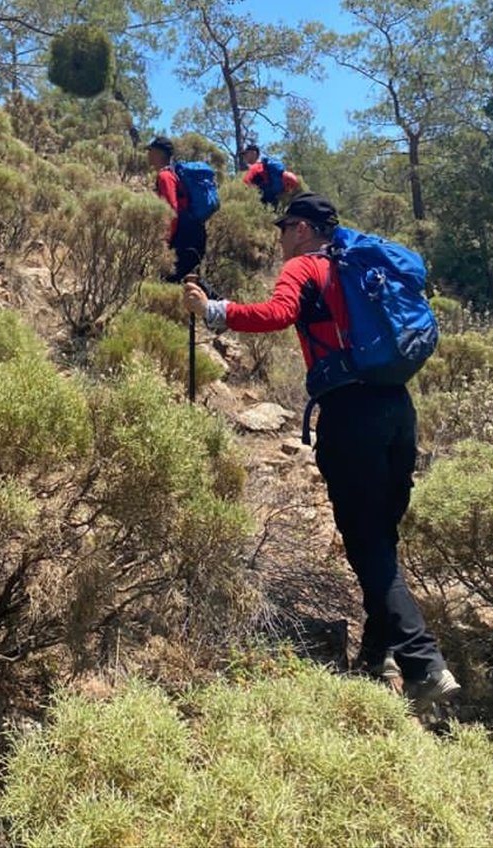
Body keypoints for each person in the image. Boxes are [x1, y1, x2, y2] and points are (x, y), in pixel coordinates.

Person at [182, 191, 461, 713]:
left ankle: (424, 663)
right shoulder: (358, 269)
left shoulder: (305, 266)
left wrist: (211, 310)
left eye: (284, 228)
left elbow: (277, 313)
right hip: (397, 409)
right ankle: (378, 657)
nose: (281, 238)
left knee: (366, 542)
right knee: (381, 538)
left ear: (304, 229)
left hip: (350, 415)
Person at [147, 135, 209, 285]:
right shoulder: (173, 174)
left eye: (151, 151)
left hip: (184, 238)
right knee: (186, 282)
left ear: (159, 153)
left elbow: (171, 211)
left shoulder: (165, 176)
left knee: (169, 281)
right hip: (194, 234)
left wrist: (165, 240)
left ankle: (218, 301)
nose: (148, 155)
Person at [241, 143, 302, 210]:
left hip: (264, 203)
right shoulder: (265, 167)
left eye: (246, 154)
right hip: (275, 200)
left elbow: (245, 183)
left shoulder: (255, 168)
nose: (244, 156)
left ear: (253, 153)